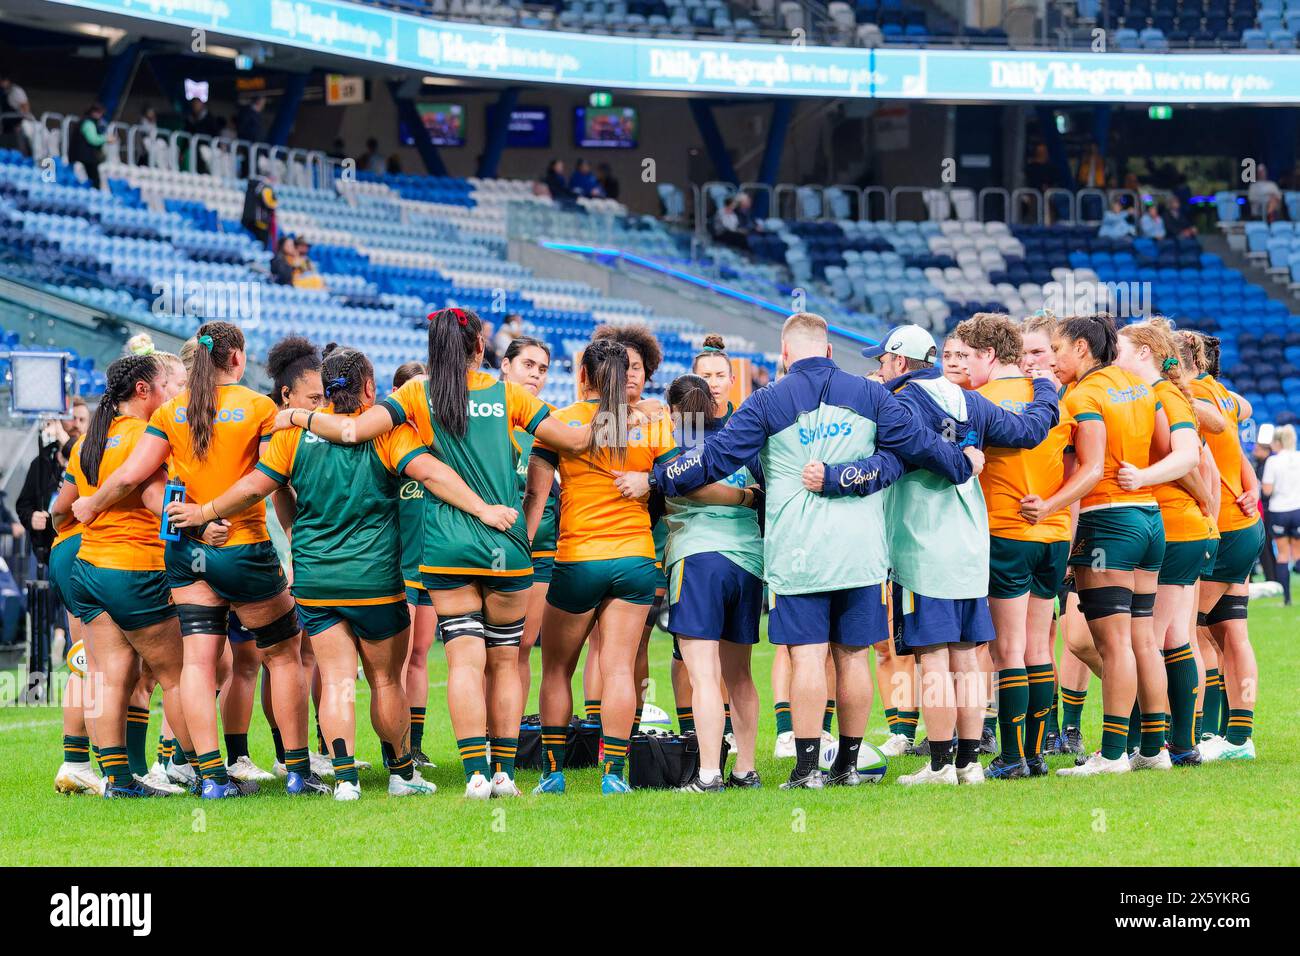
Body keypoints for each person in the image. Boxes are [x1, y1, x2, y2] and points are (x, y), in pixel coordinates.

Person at [641, 312, 982, 789]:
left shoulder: (767, 400)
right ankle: (847, 764)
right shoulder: (872, 394)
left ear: (784, 355)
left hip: (798, 551)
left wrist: (658, 478)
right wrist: (960, 464)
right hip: (861, 551)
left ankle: (806, 770)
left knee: (806, 656)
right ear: (828, 351)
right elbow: (913, 449)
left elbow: (716, 458)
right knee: (853, 657)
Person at [273, 307, 590, 798]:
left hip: (447, 549)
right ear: (481, 349)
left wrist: (297, 414)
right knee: (505, 661)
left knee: (464, 662)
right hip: (506, 543)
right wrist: (614, 405)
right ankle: (504, 773)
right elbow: (574, 440)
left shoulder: (416, 394)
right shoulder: (510, 396)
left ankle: (474, 776)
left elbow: (353, 430)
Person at [169, 345, 503, 800]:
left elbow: (255, 488)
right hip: (376, 582)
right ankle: (401, 774)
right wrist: (484, 508)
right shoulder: (389, 434)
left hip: (315, 579)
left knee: (337, 679)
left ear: (325, 390)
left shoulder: (292, 434)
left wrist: (204, 511)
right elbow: (433, 475)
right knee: (386, 680)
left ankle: (344, 778)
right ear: (369, 387)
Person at [72, 321, 317, 798]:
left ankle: (212, 780)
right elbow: (272, 479)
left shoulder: (169, 413)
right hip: (243, 546)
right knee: (284, 656)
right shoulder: (258, 406)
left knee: (197, 665)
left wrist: (93, 503)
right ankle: (297, 772)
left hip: (186, 551)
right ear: (237, 359)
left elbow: (132, 478)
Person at [811, 324, 1058, 786]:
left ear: (900, 363)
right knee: (966, 654)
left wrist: (833, 478)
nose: (880, 369)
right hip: (970, 545)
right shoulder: (972, 400)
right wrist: (1044, 385)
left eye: (884, 360)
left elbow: (888, 467)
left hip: (922, 548)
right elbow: (1030, 430)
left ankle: (941, 764)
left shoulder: (900, 404)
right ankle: (969, 762)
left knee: (933, 658)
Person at [526, 339, 677, 795]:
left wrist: (518, 548)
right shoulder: (651, 424)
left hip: (578, 559)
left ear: (585, 376)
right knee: (618, 670)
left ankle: (553, 772)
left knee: (556, 670)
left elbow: (536, 498)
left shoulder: (561, 422)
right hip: (635, 558)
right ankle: (613, 775)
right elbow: (672, 484)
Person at [1017, 314, 1164, 778]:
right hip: (1149, 518)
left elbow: (1093, 467)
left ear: (1081, 348)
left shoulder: (1083, 395)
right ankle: (1155, 748)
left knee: (1112, 641)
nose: (1053, 360)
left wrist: (1050, 506)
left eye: (1057, 350)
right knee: (1142, 639)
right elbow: (1164, 449)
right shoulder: (1139, 386)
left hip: (1108, 524)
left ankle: (1114, 753)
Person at [52, 355, 196, 798]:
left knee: (105, 675)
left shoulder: (89, 441)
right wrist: (197, 525)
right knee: (177, 674)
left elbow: (62, 509)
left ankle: (116, 780)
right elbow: (157, 500)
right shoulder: (146, 436)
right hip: (135, 568)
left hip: (88, 569)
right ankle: (201, 770)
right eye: (166, 388)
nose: (172, 396)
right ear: (142, 391)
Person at [957, 313, 1072, 779]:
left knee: (1008, 649)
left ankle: (1011, 756)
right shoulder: (1054, 399)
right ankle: (1037, 752)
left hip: (1005, 531)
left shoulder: (976, 402)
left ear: (987, 355)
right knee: (1039, 647)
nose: (963, 368)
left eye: (967, 357)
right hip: (1054, 531)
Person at [1112, 318, 1213, 768]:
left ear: (1144, 354)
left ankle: (1145, 745)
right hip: (1179, 527)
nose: (1115, 357)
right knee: (1171, 638)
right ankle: (1179, 745)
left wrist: (1142, 478)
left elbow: (1188, 454)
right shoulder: (1154, 394)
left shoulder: (1163, 394)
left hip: (1174, 526)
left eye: (1120, 350)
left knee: (1148, 639)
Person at [657, 370, 764, 791]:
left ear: (672, 411)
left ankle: (708, 774)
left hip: (698, 557)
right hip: (748, 562)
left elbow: (683, 487)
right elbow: (762, 488)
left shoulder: (669, 446)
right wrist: (747, 495)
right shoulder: (740, 445)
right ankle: (746, 768)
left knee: (703, 674)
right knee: (740, 675)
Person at [1180, 331, 1264, 762]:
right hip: (1245, 523)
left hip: (1221, 525)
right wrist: (1251, 487)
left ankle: (1192, 736)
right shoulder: (1224, 395)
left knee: (1189, 629)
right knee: (1232, 632)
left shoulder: (1190, 395)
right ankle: (1237, 738)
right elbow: (1242, 412)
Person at [497, 339, 556, 714]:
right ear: (505, 366)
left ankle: (511, 736)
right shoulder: (485, 413)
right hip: (494, 546)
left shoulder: (550, 419)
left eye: (543, 368)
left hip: (542, 549)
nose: (535, 374)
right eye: (528, 365)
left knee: (521, 647)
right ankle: (486, 737)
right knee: (495, 648)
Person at [390, 360, 437, 766]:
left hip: (433, 568)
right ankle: (397, 749)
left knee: (421, 656)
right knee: (400, 661)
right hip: (398, 570)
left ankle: (415, 746)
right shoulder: (389, 443)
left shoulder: (439, 444)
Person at [18, 399, 89, 563]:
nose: (76, 424)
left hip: (82, 551)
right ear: (60, 421)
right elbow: (23, 504)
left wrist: (64, 439)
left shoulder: (91, 459)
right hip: (48, 552)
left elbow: (80, 457)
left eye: (82, 420)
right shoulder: (41, 462)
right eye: (72, 418)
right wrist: (31, 518)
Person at [1262, 424, 1300, 605]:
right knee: (1298, 553)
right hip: (1298, 509)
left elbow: (1267, 490)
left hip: (1279, 511)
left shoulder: (1273, 461)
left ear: (1278, 442)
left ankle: (1287, 599)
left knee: (1283, 554)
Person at [69, 103, 112, 190]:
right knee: (94, 181)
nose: (100, 115)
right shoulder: (88, 123)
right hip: (85, 158)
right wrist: (106, 139)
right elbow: (93, 139)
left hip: (84, 157)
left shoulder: (87, 122)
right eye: (99, 113)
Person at [242, 165, 279, 251]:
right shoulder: (265, 187)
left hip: (248, 218)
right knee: (263, 243)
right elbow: (269, 203)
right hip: (260, 221)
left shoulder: (254, 185)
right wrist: (275, 201)